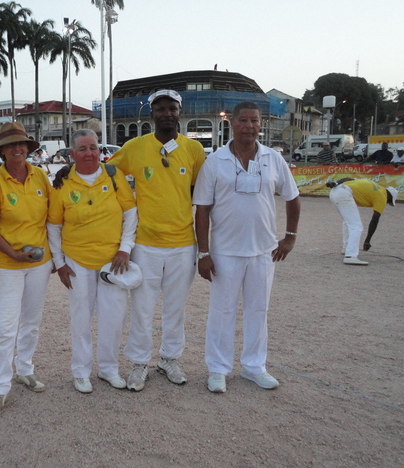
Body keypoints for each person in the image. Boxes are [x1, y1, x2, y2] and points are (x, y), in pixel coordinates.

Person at [193, 101, 301, 394]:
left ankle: (255, 367)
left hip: (263, 251)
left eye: (254, 121)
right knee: (222, 312)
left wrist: (290, 236)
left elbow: (292, 197)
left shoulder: (273, 159)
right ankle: (218, 369)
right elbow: (202, 210)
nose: (249, 126)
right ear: (232, 123)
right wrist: (203, 253)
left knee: (258, 310)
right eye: (243, 120)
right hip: (225, 252)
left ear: (260, 124)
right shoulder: (215, 161)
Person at [108, 89, 206, 391]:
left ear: (180, 113)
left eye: (172, 108)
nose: (167, 113)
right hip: (146, 244)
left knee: (175, 308)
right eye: (160, 109)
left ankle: (169, 359)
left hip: (182, 244)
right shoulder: (134, 147)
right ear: (151, 114)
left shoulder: (193, 150)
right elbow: (107, 170)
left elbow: (200, 192)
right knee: (142, 308)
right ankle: (139, 363)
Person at [48, 129, 138, 394]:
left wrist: (125, 248)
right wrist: (60, 263)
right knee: (81, 318)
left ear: (100, 151)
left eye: (93, 147)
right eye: (83, 149)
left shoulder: (113, 176)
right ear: (72, 154)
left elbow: (130, 213)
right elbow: (53, 227)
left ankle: (109, 369)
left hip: (113, 262)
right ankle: (81, 372)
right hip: (77, 261)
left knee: (113, 317)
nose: (89, 153)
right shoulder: (62, 183)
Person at [0, 121, 53, 417]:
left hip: (39, 262)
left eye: (21, 144)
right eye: (11, 145)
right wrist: (13, 253)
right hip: (7, 264)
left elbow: (54, 216)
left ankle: (24, 369)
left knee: (32, 321)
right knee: (5, 327)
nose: (17, 149)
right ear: (2, 151)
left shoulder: (41, 177)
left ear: (28, 147)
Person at [326, 178, 398, 265]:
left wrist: (336, 182)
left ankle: (346, 248)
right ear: (389, 196)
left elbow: (348, 178)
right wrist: (367, 240)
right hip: (344, 194)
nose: (387, 203)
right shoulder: (383, 196)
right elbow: (375, 220)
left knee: (347, 222)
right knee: (356, 227)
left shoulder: (375, 185)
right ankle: (350, 256)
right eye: (389, 201)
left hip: (335, 192)